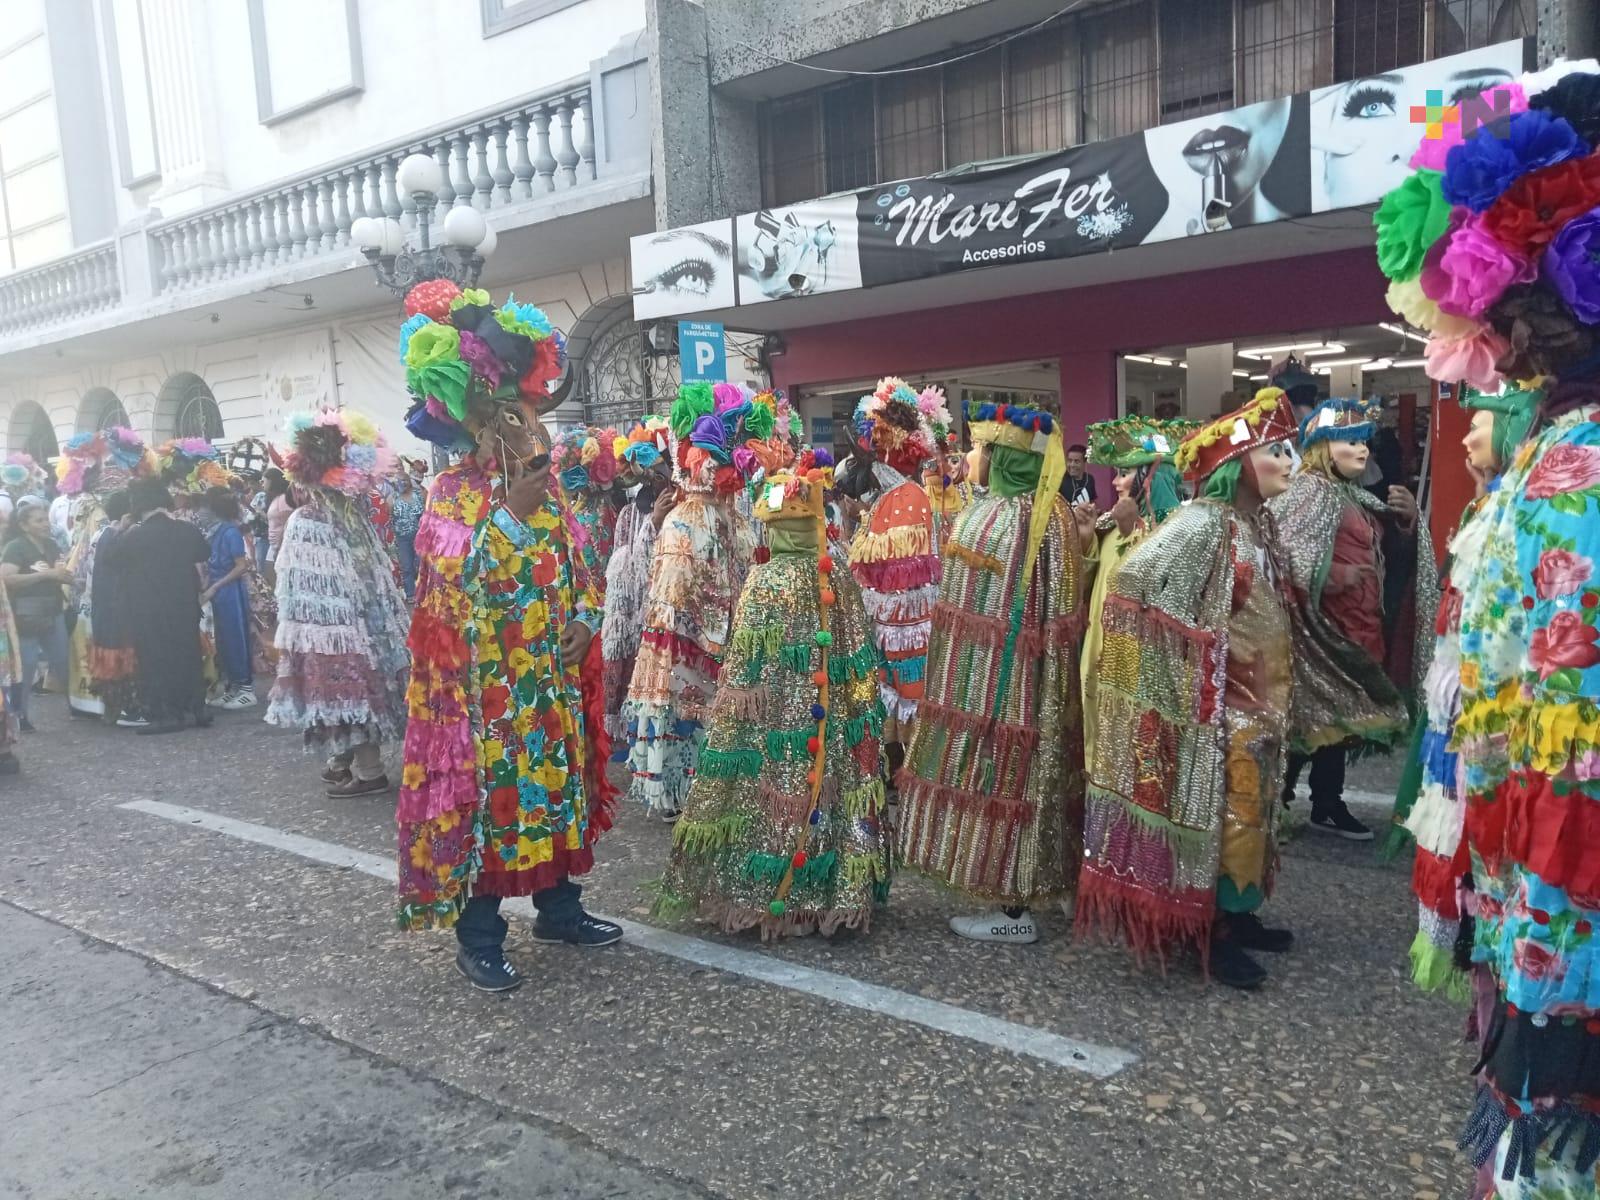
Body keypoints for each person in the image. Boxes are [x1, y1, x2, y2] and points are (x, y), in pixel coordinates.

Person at [396, 283, 621, 987]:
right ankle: (481, 936)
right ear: (484, 425)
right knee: (490, 810)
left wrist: (586, 619)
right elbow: (448, 580)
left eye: (535, 418)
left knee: (553, 796)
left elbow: (583, 565)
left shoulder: (553, 491)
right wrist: (512, 516)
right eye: (521, 419)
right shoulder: (452, 494)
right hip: (484, 698)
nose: (536, 432)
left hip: (545, 686)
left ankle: (559, 909)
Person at [1077, 388, 1299, 990]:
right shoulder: (1204, 522)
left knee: (1256, 814)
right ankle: (1212, 930)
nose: (1290, 462)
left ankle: (1240, 908)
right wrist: (1185, 664)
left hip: (1262, 706)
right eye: (1276, 451)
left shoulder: (1258, 524)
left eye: (1290, 449)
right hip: (1220, 709)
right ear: (1238, 464)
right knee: (1229, 813)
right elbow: (1132, 582)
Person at [655, 452, 892, 936]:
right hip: (828, 728)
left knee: (771, 807)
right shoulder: (838, 575)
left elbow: (744, 666)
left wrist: (731, 718)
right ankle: (832, 898)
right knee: (827, 791)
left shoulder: (763, 580)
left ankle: (767, 897)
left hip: (771, 731)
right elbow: (858, 657)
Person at [897, 401, 1089, 944]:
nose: (972, 456)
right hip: (1020, 687)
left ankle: (1010, 910)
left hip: (1000, 690)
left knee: (1003, 779)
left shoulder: (1012, 517)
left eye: (982, 447)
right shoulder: (1046, 514)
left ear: (1006, 455)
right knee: (1030, 781)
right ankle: (1040, 884)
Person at [1382, 387, 1538, 1002]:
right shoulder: (1487, 510)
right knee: (1455, 823)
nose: (1467, 438)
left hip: (1491, 709)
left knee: (1483, 831)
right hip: (1458, 707)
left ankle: (1484, 945)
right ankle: (1465, 942)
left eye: (1477, 426)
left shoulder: (1518, 512)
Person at [1268, 396, 1436, 841]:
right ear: (1323, 446)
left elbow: (1389, 558)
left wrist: (1405, 523)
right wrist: (1332, 574)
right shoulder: (1306, 491)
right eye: (1350, 442)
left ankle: (1326, 802)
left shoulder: (1352, 495)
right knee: (1309, 720)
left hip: (1358, 625)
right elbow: (1283, 554)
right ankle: (1276, 804)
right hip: (1320, 630)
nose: (1362, 451)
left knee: (1339, 720)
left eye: (1365, 442)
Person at [622, 382, 776, 820]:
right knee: (694, 712)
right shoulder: (686, 523)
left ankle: (722, 786)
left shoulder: (730, 521)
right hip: (694, 651)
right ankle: (697, 789)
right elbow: (669, 610)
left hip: (725, 645)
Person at [266, 409, 410, 796]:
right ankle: (344, 763)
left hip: (333, 630)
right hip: (371, 623)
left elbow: (297, 586)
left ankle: (369, 772)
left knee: (348, 692)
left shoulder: (306, 520)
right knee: (362, 690)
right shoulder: (356, 515)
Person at [1078, 415, 1194, 769]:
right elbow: (1088, 585)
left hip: (1140, 662)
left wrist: (1132, 531)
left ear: (1149, 478)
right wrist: (1085, 540)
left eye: (1124, 474)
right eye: (1115, 473)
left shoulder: (1177, 533)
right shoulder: (1109, 527)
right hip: (1100, 650)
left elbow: (1164, 592)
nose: (1114, 482)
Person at [846, 377, 944, 788]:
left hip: (906, 626)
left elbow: (903, 574)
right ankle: (891, 768)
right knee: (888, 692)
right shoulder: (889, 499)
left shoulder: (909, 499)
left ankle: (909, 773)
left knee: (907, 693)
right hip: (885, 626)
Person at [97, 478, 210, 734]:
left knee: (155, 659)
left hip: (147, 607)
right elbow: (204, 553)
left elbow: (109, 560)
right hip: (183, 603)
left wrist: (119, 530)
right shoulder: (186, 529)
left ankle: (165, 714)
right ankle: (196, 708)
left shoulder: (135, 534)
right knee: (188, 654)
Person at [600, 419, 673, 750]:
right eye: (656, 478)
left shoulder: (682, 508)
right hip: (642, 619)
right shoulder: (631, 515)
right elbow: (630, 572)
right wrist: (654, 524)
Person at [0, 498, 71, 732]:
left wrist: (67, 577)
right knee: (27, 665)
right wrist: (45, 576)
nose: (45, 524)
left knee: (63, 660)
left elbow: (59, 572)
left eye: (45, 519)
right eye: (39, 520)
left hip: (53, 610)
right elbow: (6, 578)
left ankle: (79, 705)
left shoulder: (51, 545)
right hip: (26, 614)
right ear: (23, 525)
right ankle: (19, 715)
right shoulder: (16, 547)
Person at [88, 490, 143, 726]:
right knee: (124, 656)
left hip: (103, 605)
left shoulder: (100, 534)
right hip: (118, 606)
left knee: (109, 657)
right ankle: (128, 708)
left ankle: (111, 707)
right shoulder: (119, 537)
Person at [201, 486, 255, 710]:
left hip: (230, 591)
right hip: (219, 590)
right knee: (223, 639)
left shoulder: (230, 532)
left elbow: (242, 565)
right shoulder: (219, 530)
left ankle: (245, 687)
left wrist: (216, 586)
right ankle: (232, 685)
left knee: (236, 637)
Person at [389, 465, 424, 602]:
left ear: (409, 481)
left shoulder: (419, 495)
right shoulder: (392, 499)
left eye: (404, 480)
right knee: (407, 566)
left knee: (422, 565)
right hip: (402, 539)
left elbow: (427, 515)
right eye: (398, 480)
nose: (401, 483)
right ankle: (410, 594)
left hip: (420, 537)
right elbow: (390, 517)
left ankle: (424, 592)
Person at [263, 469, 293, 585]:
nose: (262, 483)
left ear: (271, 481)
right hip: (275, 545)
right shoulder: (276, 498)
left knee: (275, 578)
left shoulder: (284, 499)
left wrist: (281, 546)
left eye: (264, 480)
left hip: (282, 546)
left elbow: (288, 525)